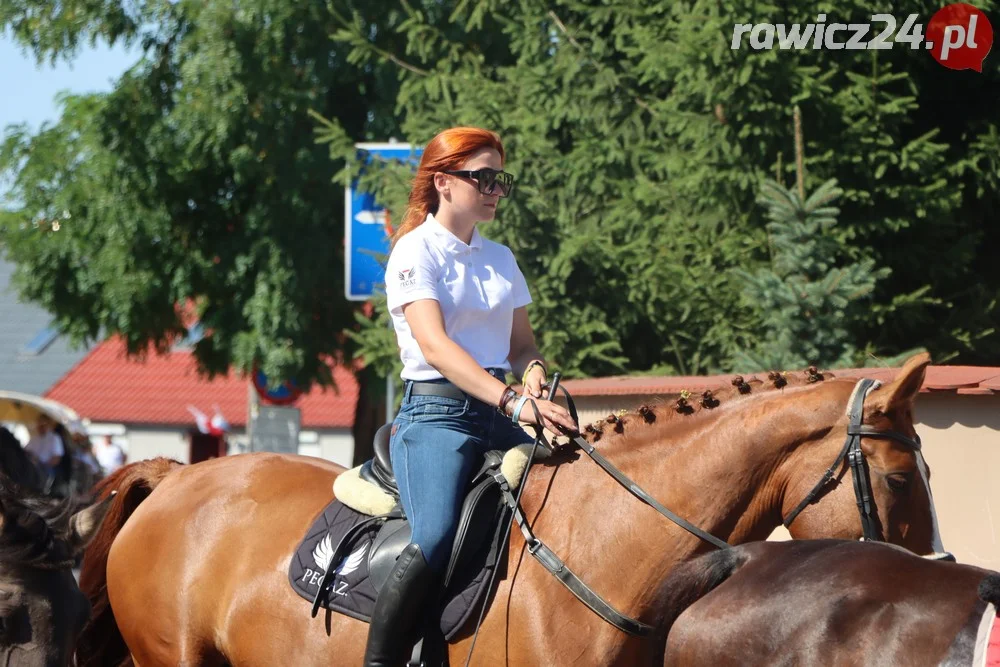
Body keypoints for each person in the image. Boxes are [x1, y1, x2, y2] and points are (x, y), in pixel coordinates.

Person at [362, 127, 578, 667]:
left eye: (499, 179)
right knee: (434, 536)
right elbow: (435, 347)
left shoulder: (501, 258)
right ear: (443, 183)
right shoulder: (413, 252)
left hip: (502, 410)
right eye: (481, 178)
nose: (494, 190)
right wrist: (513, 402)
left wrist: (532, 374)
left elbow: (523, 344)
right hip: (437, 417)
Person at [24, 417, 64, 489]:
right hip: (32, 466)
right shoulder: (34, 438)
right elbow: (26, 451)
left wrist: (43, 464)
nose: (40, 427)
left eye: (43, 424)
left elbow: (57, 458)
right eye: (39, 424)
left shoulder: (55, 438)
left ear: (49, 425)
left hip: (47, 468)